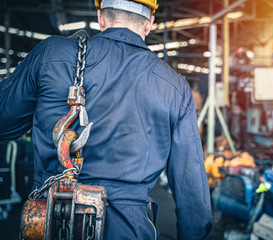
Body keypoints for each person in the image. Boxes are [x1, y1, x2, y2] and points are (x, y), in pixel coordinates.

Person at [0, 0, 213, 239]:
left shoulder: (51, 54)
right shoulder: (175, 87)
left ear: (101, 17)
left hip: (51, 220)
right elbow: (192, 192)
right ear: (149, 23)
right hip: (128, 229)